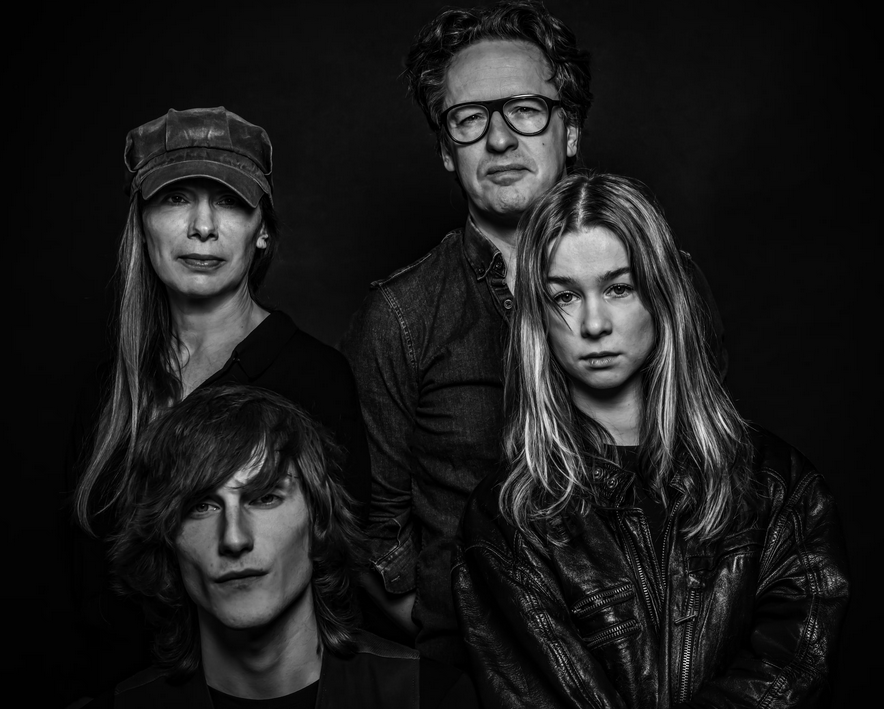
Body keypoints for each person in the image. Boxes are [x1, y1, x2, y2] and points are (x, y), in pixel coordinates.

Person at [341, 0, 726, 667]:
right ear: (445, 149)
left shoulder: (668, 282)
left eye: (525, 109)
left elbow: (711, 469)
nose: (499, 140)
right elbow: (376, 532)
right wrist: (470, 641)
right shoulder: (401, 316)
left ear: (569, 129)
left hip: (658, 668)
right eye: (469, 118)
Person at [452, 173, 849, 708]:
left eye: (619, 288)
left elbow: (792, 672)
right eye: (564, 296)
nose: (594, 323)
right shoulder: (508, 518)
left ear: (661, 294)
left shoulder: (780, 487)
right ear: (538, 319)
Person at [64, 106, 369, 698]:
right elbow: (79, 590)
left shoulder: (314, 378)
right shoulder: (107, 392)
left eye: (229, 201)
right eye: (175, 198)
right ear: (142, 224)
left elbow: (345, 573)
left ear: (262, 229)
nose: (202, 227)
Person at [83, 384, 476, 708]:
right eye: (201, 506)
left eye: (265, 498)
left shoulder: (431, 698)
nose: (234, 539)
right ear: (166, 537)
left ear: (318, 519)